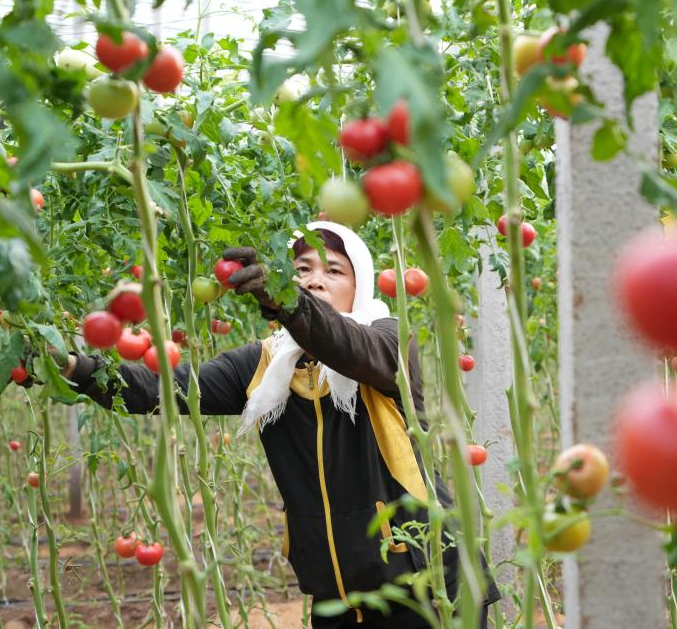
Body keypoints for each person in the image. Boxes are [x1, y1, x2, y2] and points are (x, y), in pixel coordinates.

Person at [62, 221, 501, 628]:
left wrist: (291, 305)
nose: (314, 279)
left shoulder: (387, 340)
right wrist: (71, 368)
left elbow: (351, 348)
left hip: (428, 586)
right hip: (336, 596)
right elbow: (157, 389)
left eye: (333, 270)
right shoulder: (264, 364)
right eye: (302, 269)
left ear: (359, 284)